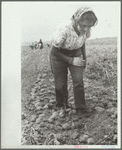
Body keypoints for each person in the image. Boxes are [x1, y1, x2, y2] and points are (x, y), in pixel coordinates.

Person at [50, 7, 98, 117]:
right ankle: (62, 106)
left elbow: (82, 43)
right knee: (61, 83)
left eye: (89, 26)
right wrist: (71, 61)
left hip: (76, 52)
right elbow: (54, 51)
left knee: (78, 81)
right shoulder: (63, 29)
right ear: (77, 21)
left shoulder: (86, 30)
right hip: (59, 54)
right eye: (83, 26)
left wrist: (84, 59)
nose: (86, 29)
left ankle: (80, 108)